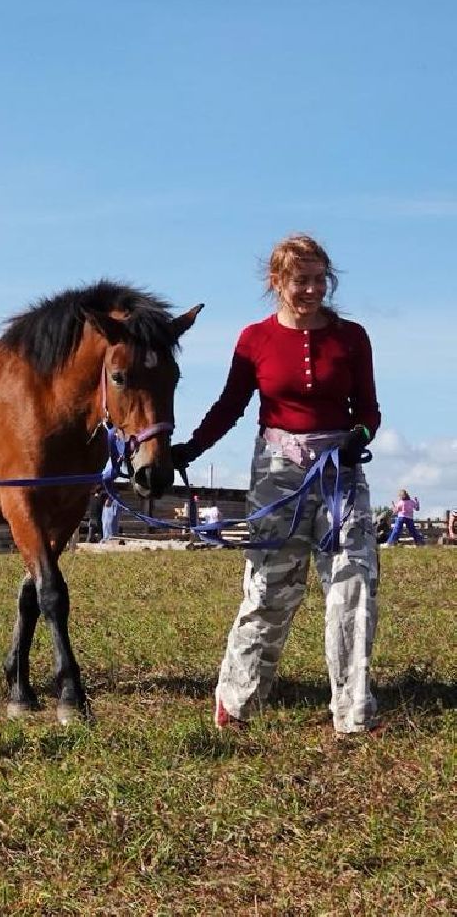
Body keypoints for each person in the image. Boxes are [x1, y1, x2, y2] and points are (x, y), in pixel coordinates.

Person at [170, 234, 381, 736]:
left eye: (318, 279)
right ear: (277, 282)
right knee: (269, 587)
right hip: (277, 474)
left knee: (353, 584)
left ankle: (352, 712)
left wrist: (361, 435)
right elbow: (229, 406)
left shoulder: (352, 337)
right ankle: (236, 699)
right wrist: (191, 449)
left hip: (340, 473)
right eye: (299, 280)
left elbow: (369, 409)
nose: (311, 290)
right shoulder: (254, 339)